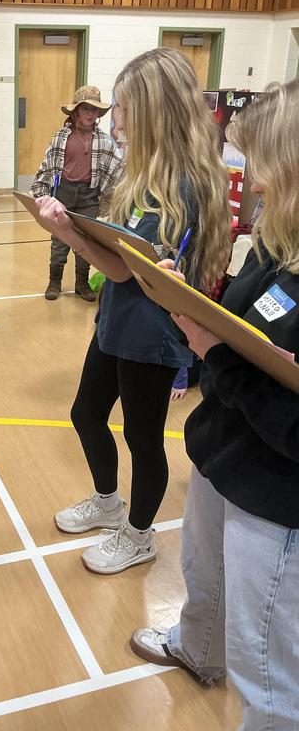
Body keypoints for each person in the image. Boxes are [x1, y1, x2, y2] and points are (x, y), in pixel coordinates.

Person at [131, 80, 299, 730]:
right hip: (225, 453)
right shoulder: (278, 243)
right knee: (205, 574)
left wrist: (212, 350)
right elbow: (241, 327)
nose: (252, 181)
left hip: (277, 495)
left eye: (261, 163)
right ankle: (199, 649)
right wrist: (192, 304)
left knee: (268, 673)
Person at [37, 49, 231, 573]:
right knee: (86, 414)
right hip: (118, 320)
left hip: (153, 333)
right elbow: (123, 265)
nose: (114, 120)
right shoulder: (146, 175)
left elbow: (132, 271)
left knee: (143, 439)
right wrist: (75, 230)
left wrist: (69, 233)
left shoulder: (184, 185)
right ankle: (107, 502)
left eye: (122, 108)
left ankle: (139, 534)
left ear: (151, 110)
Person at [30, 85, 124, 302]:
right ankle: (54, 281)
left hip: (88, 196)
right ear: (75, 112)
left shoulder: (103, 140)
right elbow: (48, 165)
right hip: (63, 193)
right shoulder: (61, 137)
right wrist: (42, 192)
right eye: (85, 109)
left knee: (86, 240)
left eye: (95, 109)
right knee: (59, 239)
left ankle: (82, 282)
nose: (90, 114)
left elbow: (118, 167)